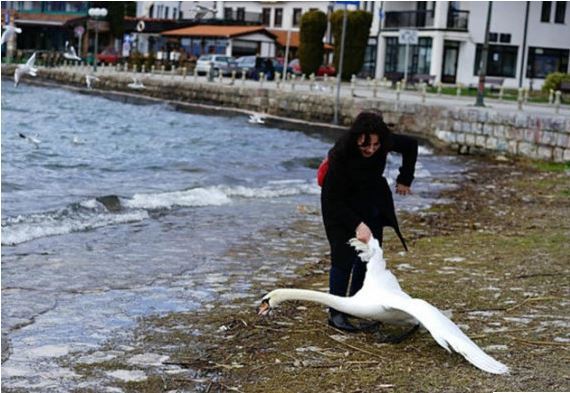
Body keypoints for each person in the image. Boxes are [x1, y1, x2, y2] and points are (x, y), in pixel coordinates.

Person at [320, 111, 418, 331]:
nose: (371, 149)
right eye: (366, 145)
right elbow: (332, 200)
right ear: (356, 138)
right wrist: (357, 225)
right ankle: (336, 314)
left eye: (376, 145)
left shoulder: (383, 141)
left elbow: (411, 145)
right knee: (343, 258)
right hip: (339, 206)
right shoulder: (340, 154)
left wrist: (405, 178)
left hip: (370, 200)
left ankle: (358, 305)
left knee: (369, 256)